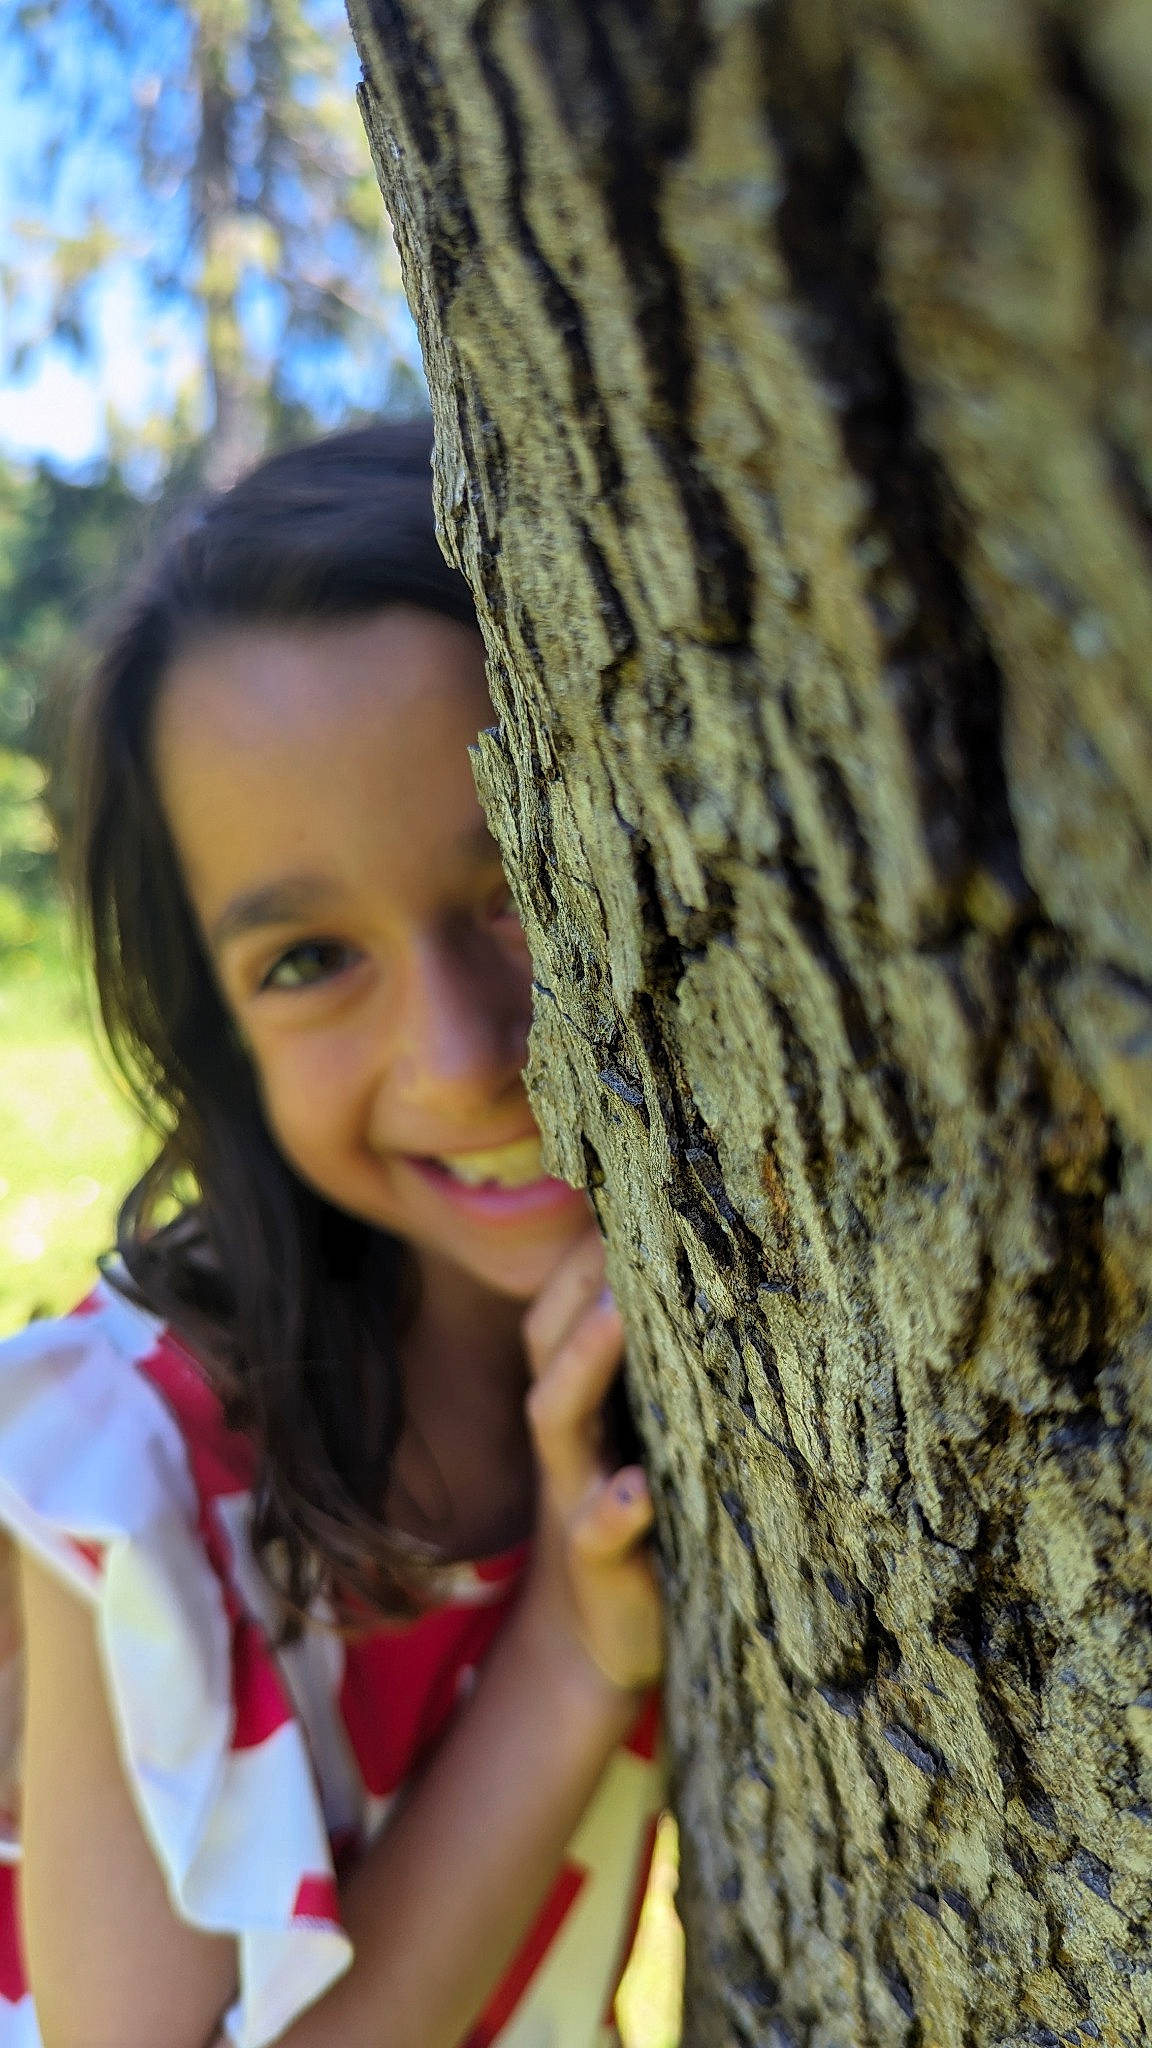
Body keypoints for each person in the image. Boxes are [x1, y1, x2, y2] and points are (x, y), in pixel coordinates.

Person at [0, 421, 663, 2048]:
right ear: (219, 1034)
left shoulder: (720, 1351)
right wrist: (572, 1660)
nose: (458, 1053)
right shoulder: (142, 1491)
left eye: (518, 876)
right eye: (309, 959)